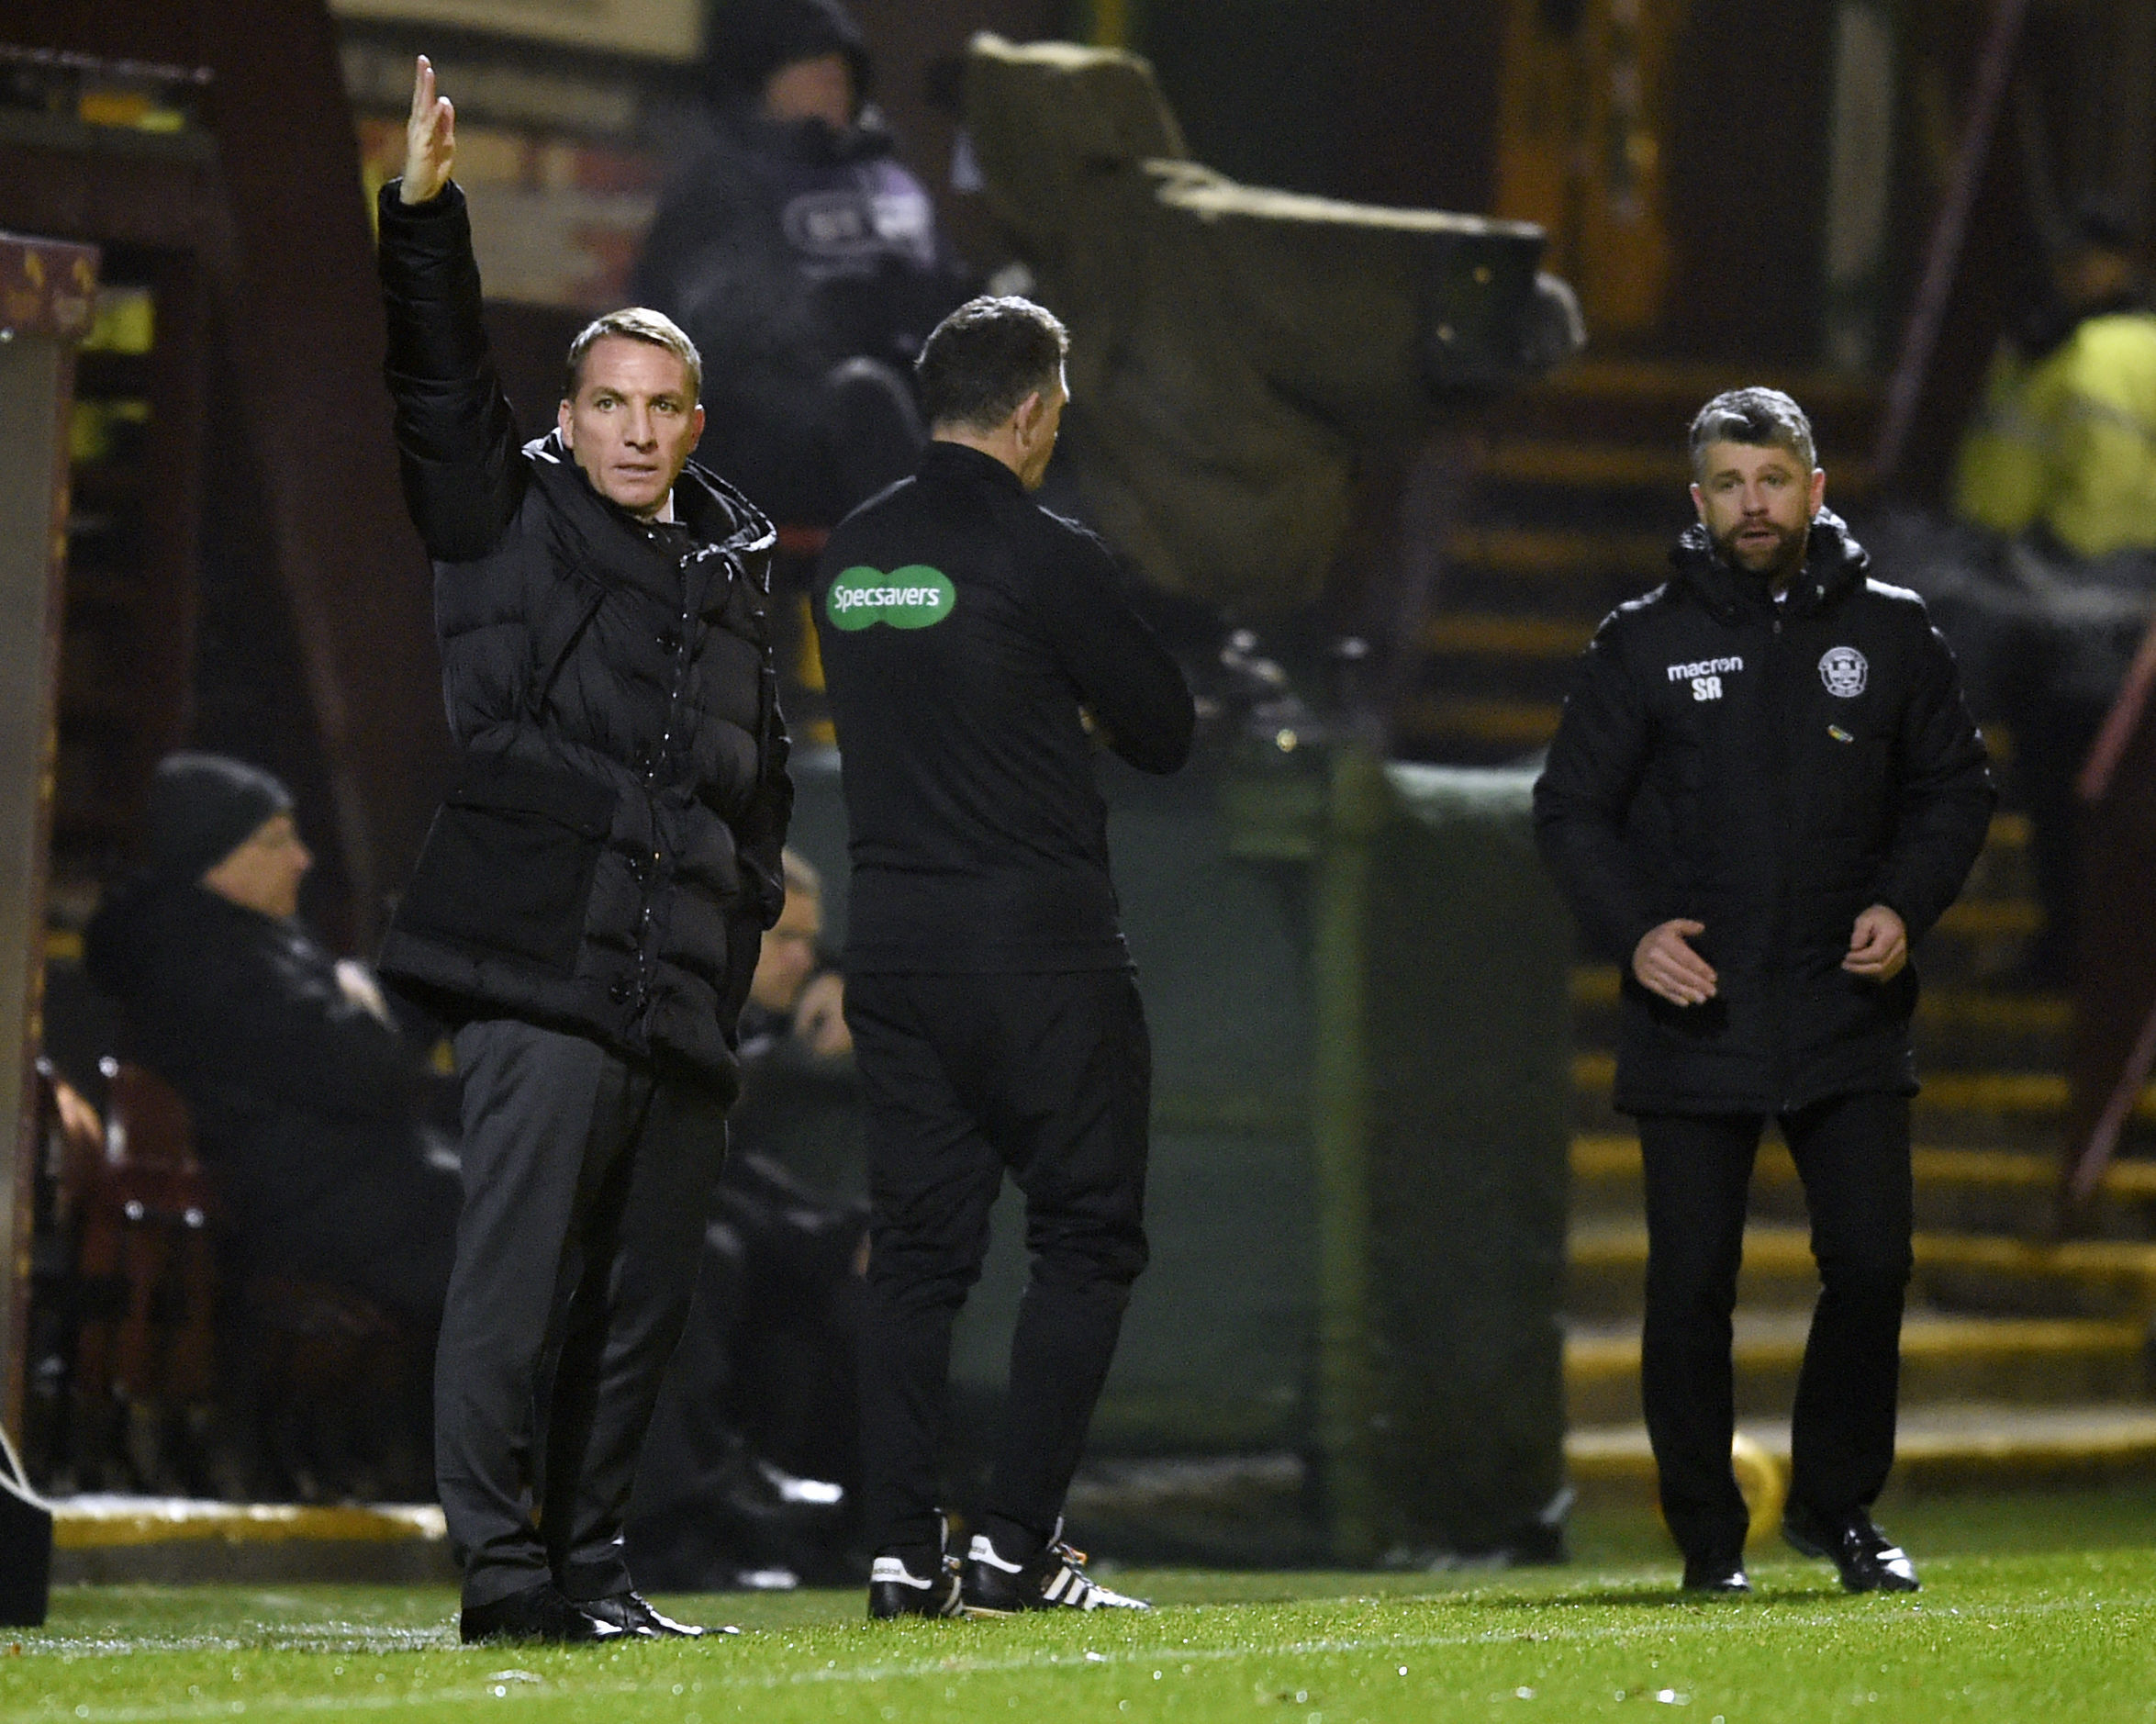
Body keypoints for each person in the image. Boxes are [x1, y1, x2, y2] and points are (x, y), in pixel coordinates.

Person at [374, 59, 790, 1645]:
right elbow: (428, 384)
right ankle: (502, 1570)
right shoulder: (507, 516)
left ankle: (595, 1568)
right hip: (538, 952)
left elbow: (762, 786)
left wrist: (742, 924)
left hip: (677, 981)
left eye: (658, 405)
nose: (630, 428)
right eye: (603, 402)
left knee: (634, 1310)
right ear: (565, 418)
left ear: (695, 422)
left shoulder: (742, 570)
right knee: (518, 1283)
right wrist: (423, 219)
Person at [1535, 389, 1994, 1596]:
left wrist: (1905, 901)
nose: (1753, 502)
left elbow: (1955, 789)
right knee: (1689, 1290)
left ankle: (1837, 1508)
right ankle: (1705, 1539)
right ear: (1698, 501)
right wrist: (1635, 935)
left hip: (1845, 1009)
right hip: (1699, 1012)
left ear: (1815, 489)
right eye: (1730, 483)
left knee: (1872, 1266)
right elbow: (1570, 809)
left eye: (1773, 479)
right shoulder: (1638, 640)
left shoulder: (1893, 634)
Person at [812, 296, 1195, 1619]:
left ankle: (903, 1552)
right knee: (1085, 1239)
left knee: (916, 1257)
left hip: (899, 951)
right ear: (1031, 412)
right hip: (1040, 952)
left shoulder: (851, 559)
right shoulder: (1048, 554)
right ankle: (1017, 1546)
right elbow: (1162, 725)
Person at [83, 754, 461, 1333]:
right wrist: (394, 992)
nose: (302, 860)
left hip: (363, 1183)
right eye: (275, 841)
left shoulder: (250, 939)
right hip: (322, 1211)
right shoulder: (206, 962)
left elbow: (364, 1038)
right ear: (216, 862)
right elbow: (368, 1070)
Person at [631, 0, 971, 532]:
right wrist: (831, 324)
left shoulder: (890, 178)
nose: (831, 86)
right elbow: (690, 327)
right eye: (812, 71)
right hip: (772, 426)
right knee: (864, 397)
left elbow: (945, 292)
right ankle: (929, 570)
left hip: (909, 402)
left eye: (840, 74)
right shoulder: (720, 186)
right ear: (763, 85)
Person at [1950, 200, 2156, 979]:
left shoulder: (2078, 349)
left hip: (2091, 598)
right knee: (2068, 785)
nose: (2069, 275)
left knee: (2071, 785)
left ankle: (2073, 949)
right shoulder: (2053, 344)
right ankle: (2075, 948)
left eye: (2082, 259)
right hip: (2069, 599)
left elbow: (2043, 483)